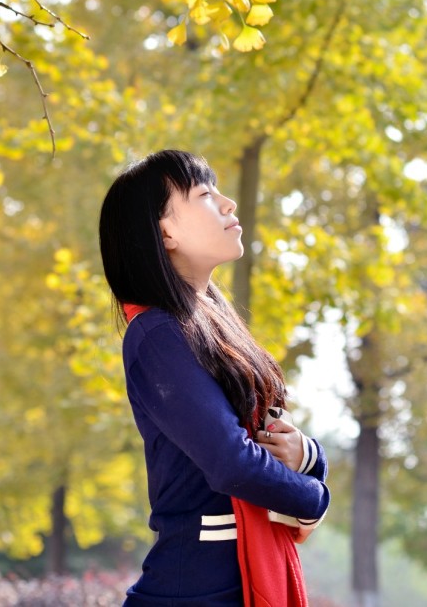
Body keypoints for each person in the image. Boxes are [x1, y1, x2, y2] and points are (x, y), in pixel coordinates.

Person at [99, 149, 330, 606]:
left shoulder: (210, 320)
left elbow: (259, 435)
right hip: (196, 589)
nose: (228, 204)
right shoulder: (157, 334)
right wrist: (314, 498)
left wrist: (306, 454)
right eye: (205, 194)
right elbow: (230, 461)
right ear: (164, 232)